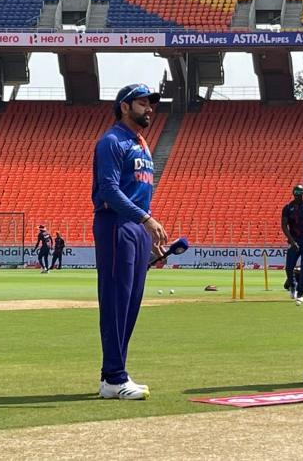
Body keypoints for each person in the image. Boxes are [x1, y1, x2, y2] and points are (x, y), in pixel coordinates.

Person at [92, 83, 168, 400]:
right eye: (142, 103)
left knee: (131, 303)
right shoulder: (112, 141)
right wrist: (146, 220)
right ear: (125, 106)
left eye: (151, 103)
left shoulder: (142, 144)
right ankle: (114, 377)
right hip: (116, 224)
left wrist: (148, 234)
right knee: (116, 301)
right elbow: (109, 190)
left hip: (135, 227)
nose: (149, 108)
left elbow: (139, 193)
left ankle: (115, 374)